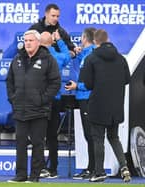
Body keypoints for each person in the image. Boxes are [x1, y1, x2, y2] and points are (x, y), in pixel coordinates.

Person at [6, 30, 61, 183]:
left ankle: (35, 176)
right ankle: (20, 175)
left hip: (39, 109)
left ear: (38, 42)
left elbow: (55, 83)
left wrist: (42, 99)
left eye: (30, 40)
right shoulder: (17, 59)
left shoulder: (48, 60)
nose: (28, 43)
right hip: (20, 108)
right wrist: (13, 98)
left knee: (38, 143)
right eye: (26, 40)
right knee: (20, 143)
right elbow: (9, 81)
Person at [81, 29, 131, 182]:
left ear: (95, 41)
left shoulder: (91, 58)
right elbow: (127, 79)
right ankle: (124, 166)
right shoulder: (121, 58)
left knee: (98, 139)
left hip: (97, 105)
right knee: (114, 137)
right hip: (116, 105)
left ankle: (99, 171)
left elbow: (88, 84)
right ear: (107, 39)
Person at [65, 27, 96, 180]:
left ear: (84, 38)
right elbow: (78, 61)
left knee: (91, 134)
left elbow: (92, 81)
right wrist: (75, 52)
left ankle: (93, 169)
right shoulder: (86, 54)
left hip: (88, 97)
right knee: (88, 134)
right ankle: (91, 168)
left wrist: (78, 86)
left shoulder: (92, 55)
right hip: (83, 98)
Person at [39, 31, 71, 179]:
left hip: (39, 101)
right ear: (51, 42)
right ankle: (53, 169)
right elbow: (67, 55)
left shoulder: (36, 58)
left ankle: (40, 168)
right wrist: (59, 41)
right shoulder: (58, 57)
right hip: (55, 100)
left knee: (38, 135)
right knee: (52, 136)